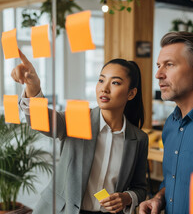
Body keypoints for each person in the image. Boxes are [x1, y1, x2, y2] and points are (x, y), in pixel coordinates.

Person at [11, 54, 148, 214]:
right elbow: (43, 122)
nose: (104, 88)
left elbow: (140, 188)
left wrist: (127, 197)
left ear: (131, 93)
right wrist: (33, 87)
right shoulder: (79, 118)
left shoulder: (138, 139)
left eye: (115, 82)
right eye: (101, 80)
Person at [139, 31, 193, 214]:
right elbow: (173, 179)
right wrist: (159, 198)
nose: (158, 74)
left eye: (169, 65)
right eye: (158, 66)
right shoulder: (171, 124)